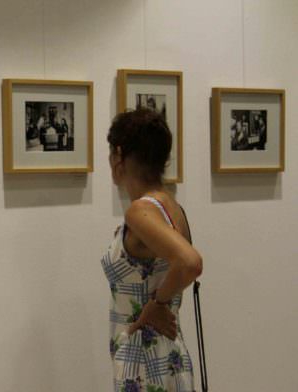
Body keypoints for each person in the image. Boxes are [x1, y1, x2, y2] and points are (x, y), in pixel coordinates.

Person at [102, 108, 203, 392]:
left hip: (144, 363)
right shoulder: (172, 206)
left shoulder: (140, 211)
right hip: (170, 354)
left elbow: (190, 263)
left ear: (118, 155)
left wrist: (157, 304)